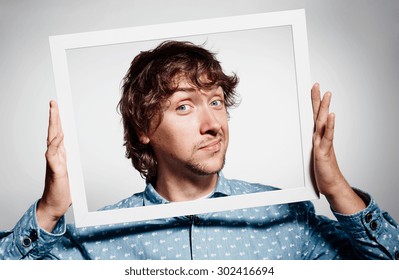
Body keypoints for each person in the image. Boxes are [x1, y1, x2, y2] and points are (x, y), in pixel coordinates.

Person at [0, 41, 398, 260]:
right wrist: (49, 211)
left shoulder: (287, 217)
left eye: (217, 101)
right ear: (143, 129)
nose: (212, 124)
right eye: (184, 106)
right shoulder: (97, 237)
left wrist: (337, 189)